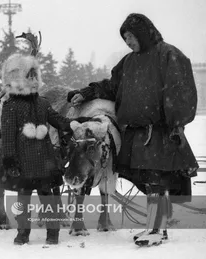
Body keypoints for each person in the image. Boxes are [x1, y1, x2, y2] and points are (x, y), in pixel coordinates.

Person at [67, 13, 199, 247]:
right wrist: (87, 93)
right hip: (137, 134)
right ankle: (155, 228)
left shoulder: (168, 55)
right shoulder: (128, 62)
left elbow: (181, 91)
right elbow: (111, 87)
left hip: (161, 131)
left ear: (143, 33)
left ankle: (157, 229)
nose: (127, 41)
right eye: (125, 38)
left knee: (157, 181)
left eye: (130, 36)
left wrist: (175, 124)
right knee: (150, 181)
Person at [0, 51, 73, 245]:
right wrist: (9, 159)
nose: (32, 79)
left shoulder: (42, 103)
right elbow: (7, 136)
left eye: (34, 75)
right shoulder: (11, 105)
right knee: (23, 200)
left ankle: (53, 234)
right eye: (28, 76)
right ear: (18, 79)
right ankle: (23, 233)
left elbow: (57, 120)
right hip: (23, 160)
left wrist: (73, 124)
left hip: (45, 160)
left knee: (49, 199)